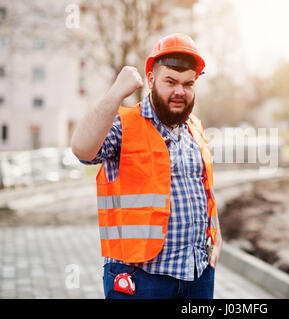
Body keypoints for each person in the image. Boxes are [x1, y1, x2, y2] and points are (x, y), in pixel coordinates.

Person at [71, 33, 222, 299]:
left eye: (188, 84)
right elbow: (82, 149)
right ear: (151, 79)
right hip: (141, 277)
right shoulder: (124, 124)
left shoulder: (194, 127)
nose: (180, 91)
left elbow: (202, 187)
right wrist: (116, 92)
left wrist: (215, 232)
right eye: (170, 81)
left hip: (197, 275)